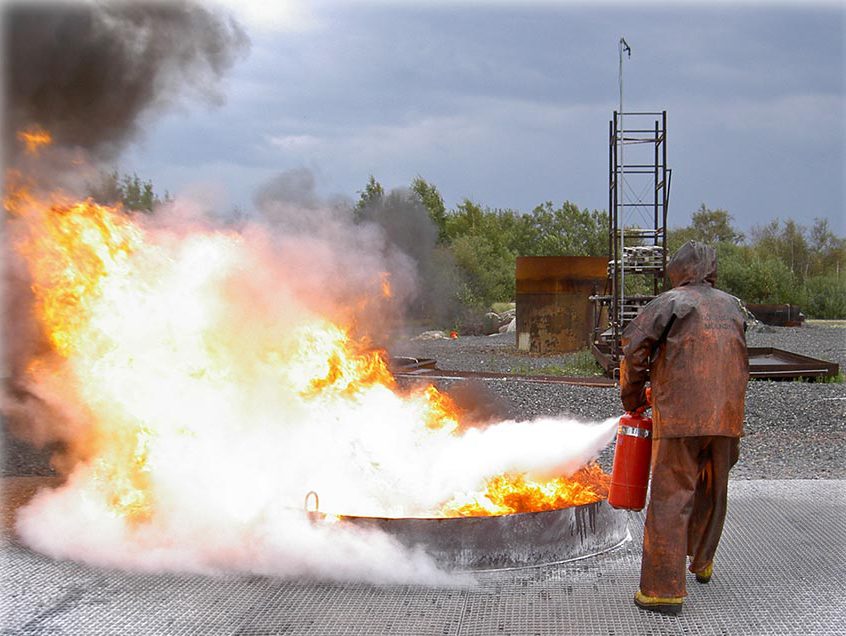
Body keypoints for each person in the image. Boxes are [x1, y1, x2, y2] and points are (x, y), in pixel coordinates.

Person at [619, 240, 748, 616]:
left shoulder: (671, 302)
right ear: (711, 269)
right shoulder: (731, 305)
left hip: (680, 416)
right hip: (726, 417)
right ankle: (702, 561)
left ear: (678, 270)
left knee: (671, 496)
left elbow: (634, 348)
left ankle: (662, 590)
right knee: (713, 487)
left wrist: (633, 397)